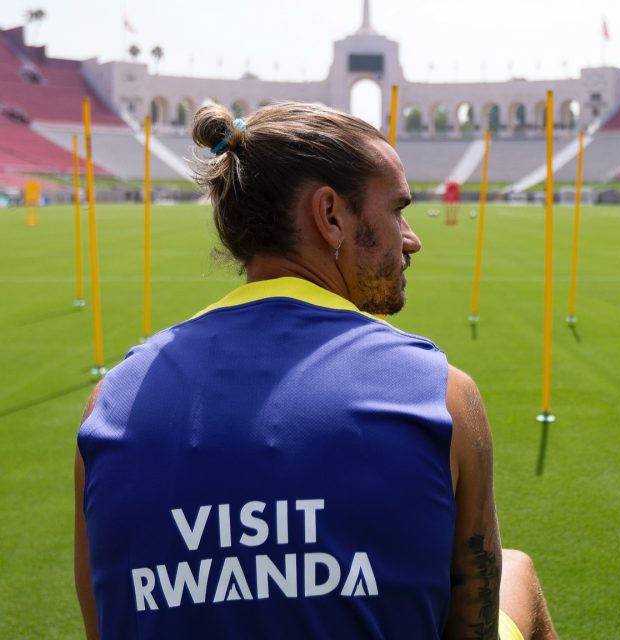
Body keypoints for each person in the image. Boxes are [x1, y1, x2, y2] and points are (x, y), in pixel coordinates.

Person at [74, 102, 557, 640]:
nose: (411, 238)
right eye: (397, 210)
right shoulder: (440, 395)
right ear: (330, 215)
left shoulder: (108, 404)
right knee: (515, 571)